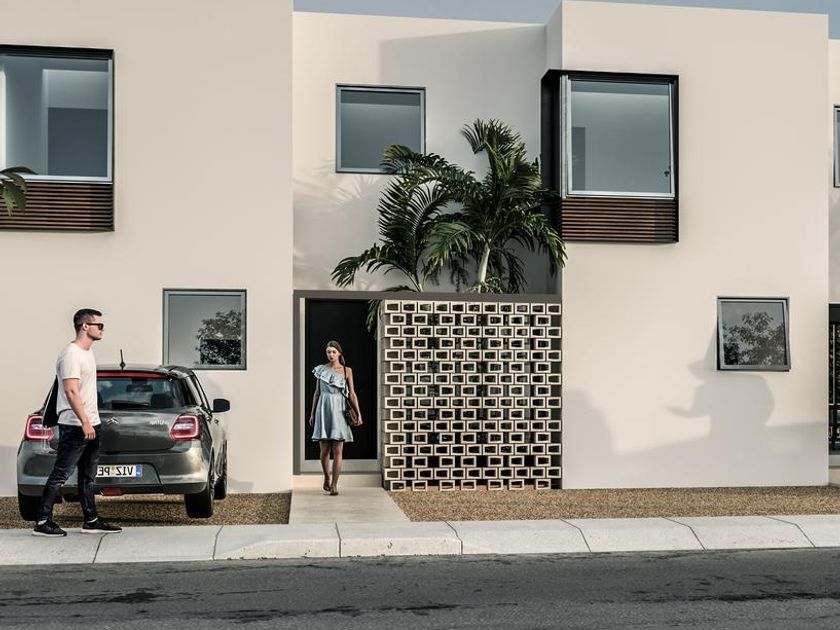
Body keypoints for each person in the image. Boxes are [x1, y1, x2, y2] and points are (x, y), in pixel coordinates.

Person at [33, 309, 122, 537]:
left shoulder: (87, 353)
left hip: (91, 423)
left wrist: (92, 422)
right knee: (60, 474)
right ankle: (42, 522)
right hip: (75, 425)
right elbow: (71, 391)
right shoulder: (71, 354)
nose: (102, 329)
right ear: (85, 326)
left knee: (88, 476)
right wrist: (85, 422)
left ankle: (91, 521)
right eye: (99, 325)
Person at [308, 340, 362, 496]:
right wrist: (312, 413)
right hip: (323, 409)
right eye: (328, 352)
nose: (331, 354)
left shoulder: (347, 371)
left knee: (338, 450)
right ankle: (326, 477)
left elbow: (352, 394)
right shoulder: (321, 370)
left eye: (333, 352)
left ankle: (334, 485)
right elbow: (317, 392)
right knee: (324, 450)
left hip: (339, 410)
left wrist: (358, 413)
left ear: (339, 353)